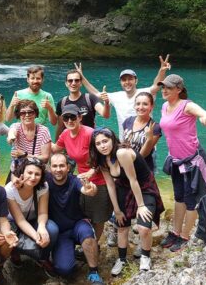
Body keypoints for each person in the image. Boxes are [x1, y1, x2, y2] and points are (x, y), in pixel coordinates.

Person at [89, 128, 164, 274]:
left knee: (143, 227)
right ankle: (122, 259)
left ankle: (145, 256)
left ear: (113, 140)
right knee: (121, 225)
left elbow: (133, 179)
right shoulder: (102, 159)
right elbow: (111, 185)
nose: (102, 146)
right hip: (123, 187)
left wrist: (141, 205)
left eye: (105, 141)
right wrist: (116, 210)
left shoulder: (121, 153)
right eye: (98, 143)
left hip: (143, 187)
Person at [157, 74, 206, 253]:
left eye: (168, 87)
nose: (164, 90)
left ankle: (185, 236)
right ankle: (175, 232)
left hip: (193, 161)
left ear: (179, 89)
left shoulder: (187, 105)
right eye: (163, 87)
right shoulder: (164, 106)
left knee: (191, 200)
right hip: (176, 160)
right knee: (179, 197)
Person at [51, 105, 112, 241]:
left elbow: (103, 154)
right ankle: (85, 239)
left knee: (97, 217)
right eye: (66, 118)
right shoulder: (66, 134)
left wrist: (92, 171)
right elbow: (55, 148)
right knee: (84, 214)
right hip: (81, 180)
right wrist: (38, 135)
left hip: (99, 180)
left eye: (73, 117)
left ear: (79, 117)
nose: (69, 120)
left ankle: (94, 243)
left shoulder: (90, 133)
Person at [76, 55, 171, 135]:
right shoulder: (116, 96)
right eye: (124, 80)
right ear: (121, 82)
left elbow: (156, 85)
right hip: (125, 144)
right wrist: (82, 77)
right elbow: (96, 93)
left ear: (136, 81)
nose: (127, 82)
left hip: (145, 142)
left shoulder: (145, 93)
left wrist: (162, 71)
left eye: (130, 79)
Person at [46, 153, 104, 284]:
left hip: (77, 224)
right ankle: (72, 253)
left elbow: (87, 189)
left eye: (62, 165)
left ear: (68, 167)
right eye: (55, 166)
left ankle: (94, 272)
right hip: (60, 232)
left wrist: (91, 188)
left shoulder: (74, 180)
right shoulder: (45, 181)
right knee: (64, 269)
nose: (58, 169)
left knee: (87, 235)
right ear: (50, 168)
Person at [5, 158, 59, 274]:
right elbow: (20, 220)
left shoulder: (43, 186)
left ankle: (42, 257)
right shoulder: (10, 189)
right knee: (9, 234)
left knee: (52, 230)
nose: (33, 177)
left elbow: (43, 212)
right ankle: (15, 254)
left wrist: (42, 227)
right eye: (29, 173)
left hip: (34, 219)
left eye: (37, 174)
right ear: (22, 172)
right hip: (14, 222)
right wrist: (36, 236)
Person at [55, 68, 110, 139]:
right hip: (70, 143)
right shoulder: (62, 102)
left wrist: (106, 103)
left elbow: (105, 115)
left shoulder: (90, 98)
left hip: (89, 141)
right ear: (66, 83)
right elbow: (60, 126)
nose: (73, 83)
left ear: (81, 83)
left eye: (76, 80)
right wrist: (57, 145)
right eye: (70, 81)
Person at [7, 100, 52, 179]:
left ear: (35, 113)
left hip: (37, 171)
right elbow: (12, 132)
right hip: (19, 170)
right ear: (19, 115)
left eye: (30, 112)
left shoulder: (43, 131)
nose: (27, 115)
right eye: (23, 113)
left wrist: (25, 155)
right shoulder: (16, 127)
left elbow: (45, 158)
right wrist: (11, 137)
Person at [121, 92, 162, 173]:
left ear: (152, 106)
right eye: (138, 104)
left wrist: (149, 139)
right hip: (126, 165)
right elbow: (124, 144)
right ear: (134, 106)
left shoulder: (155, 127)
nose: (141, 107)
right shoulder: (128, 121)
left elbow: (145, 154)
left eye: (145, 104)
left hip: (143, 168)